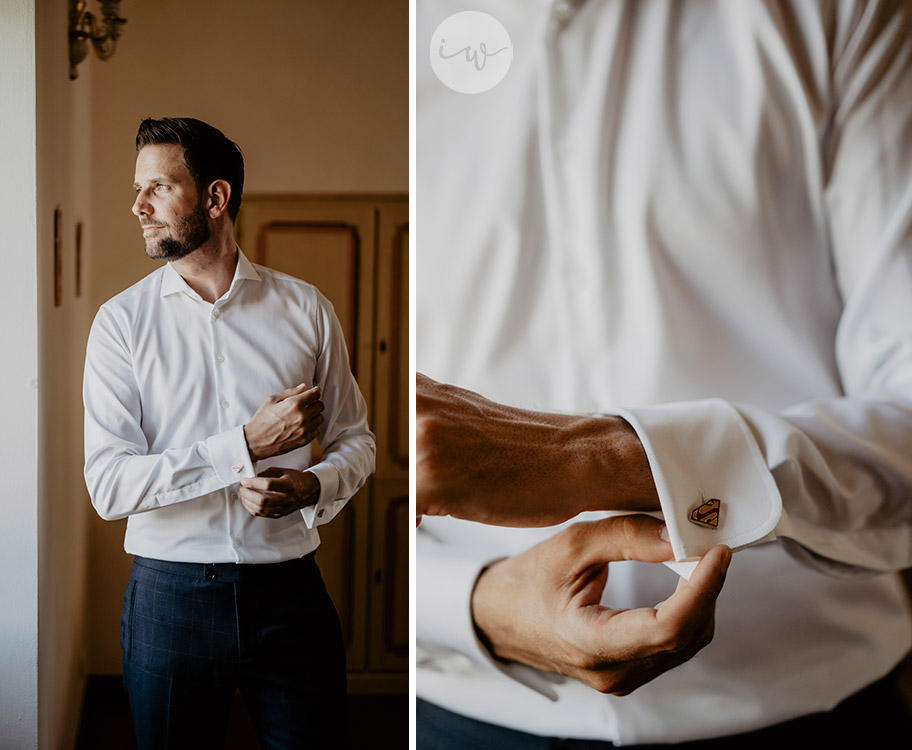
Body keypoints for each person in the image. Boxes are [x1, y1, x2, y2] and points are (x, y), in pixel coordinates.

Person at [416, 0, 912, 747]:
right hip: (465, 706)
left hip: (812, 704)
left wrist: (606, 460)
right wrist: (466, 603)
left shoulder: (843, 14)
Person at [83, 117, 375, 749]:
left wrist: (314, 485)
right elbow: (108, 485)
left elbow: (358, 441)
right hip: (170, 598)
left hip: (291, 594)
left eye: (157, 188)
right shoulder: (120, 325)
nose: (138, 206)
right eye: (138, 190)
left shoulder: (306, 309)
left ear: (214, 198)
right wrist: (244, 446)